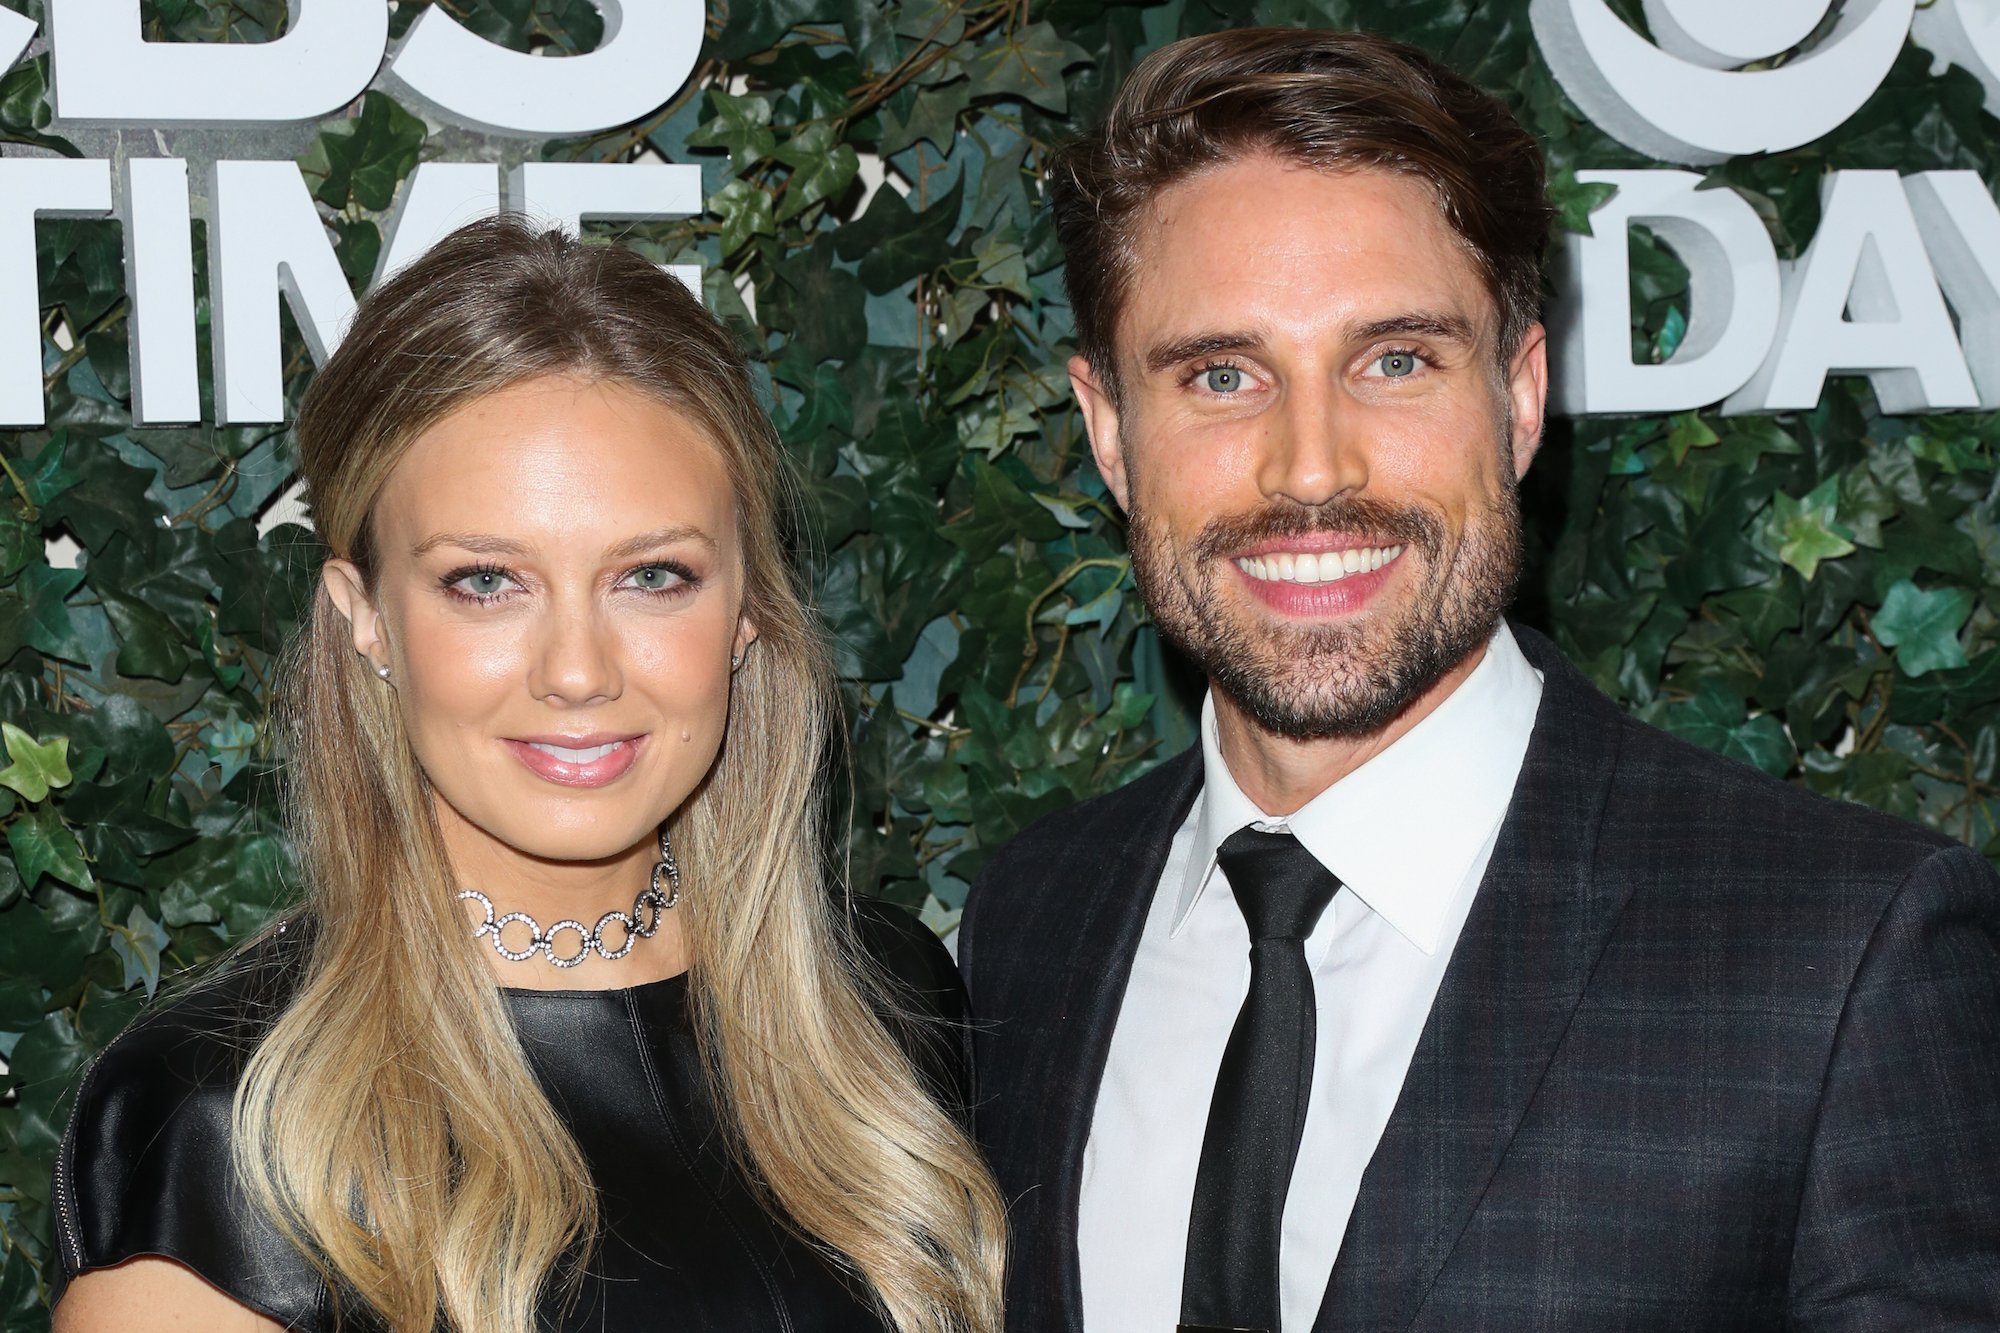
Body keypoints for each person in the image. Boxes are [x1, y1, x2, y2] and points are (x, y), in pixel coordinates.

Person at [957, 26, 2000, 1333]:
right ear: (1110, 432)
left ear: (1518, 397)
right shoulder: (1030, 923)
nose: (1314, 469)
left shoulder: (1849, 957)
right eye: (1223, 377)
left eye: (1395, 361)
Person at [51, 217, 1006, 1333]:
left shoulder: (887, 1002)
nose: (575, 670)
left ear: (747, 607)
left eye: (653, 575)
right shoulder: (219, 1121)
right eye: (485, 582)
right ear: (366, 620)